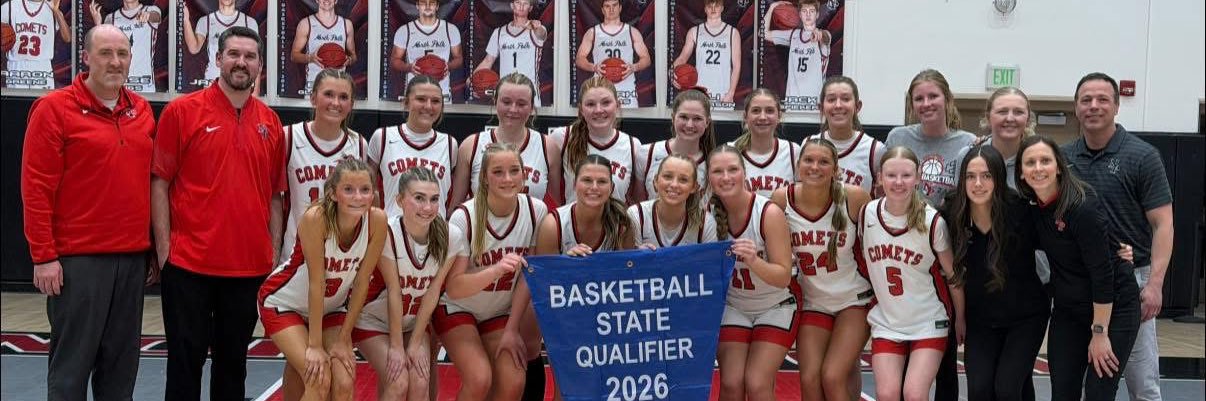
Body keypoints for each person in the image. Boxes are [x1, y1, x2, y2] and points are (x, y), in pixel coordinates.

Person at [20, 24, 154, 401]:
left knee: (120, 370)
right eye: (105, 53)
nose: (115, 62)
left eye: (122, 54)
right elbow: (35, 188)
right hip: (78, 263)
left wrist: (153, 251)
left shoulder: (141, 110)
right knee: (70, 371)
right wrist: (44, 256)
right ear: (85, 57)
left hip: (131, 261)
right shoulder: (53, 109)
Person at [151, 26, 285, 400]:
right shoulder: (182, 111)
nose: (241, 62)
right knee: (184, 363)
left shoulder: (271, 122)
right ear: (218, 59)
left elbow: (276, 196)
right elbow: (159, 182)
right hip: (188, 264)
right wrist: (165, 250)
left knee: (233, 367)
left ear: (260, 65)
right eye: (234, 54)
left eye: (250, 56)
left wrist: (271, 253)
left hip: (247, 268)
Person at [1063, 73, 1174, 401]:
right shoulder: (1064, 158)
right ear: (1076, 107)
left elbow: (1163, 224)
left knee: (1142, 383)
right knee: (1088, 383)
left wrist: (1154, 283)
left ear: (1117, 105)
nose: (1093, 106)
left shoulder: (1142, 156)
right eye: (1086, 100)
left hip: (1131, 283)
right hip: (1081, 284)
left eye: (1102, 99)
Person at [1016, 135, 1141, 401]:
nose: (1038, 167)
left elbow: (1102, 275)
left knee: (1098, 391)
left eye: (1045, 160)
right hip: (1069, 309)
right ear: (1022, 173)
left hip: (1114, 307)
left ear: (1059, 166)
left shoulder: (1081, 207)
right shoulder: (1033, 211)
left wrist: (1100, 333)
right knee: (1063, 392)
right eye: (1030, 162)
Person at [259, 158, 388, 401]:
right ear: (333, 193)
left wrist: (342, 339)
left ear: (373, 194)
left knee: (344, 381)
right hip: (284, 303)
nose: (357, 197)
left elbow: (361, 283)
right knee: (319, 379)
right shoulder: (315, 218)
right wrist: (315, 345)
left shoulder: (378, 221)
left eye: (365, 190)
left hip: (332, 307)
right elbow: (316, 284)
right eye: (348, 189)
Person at [435, 142, 547, 401]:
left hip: (498, 312)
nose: (507, 179)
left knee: (514, 379)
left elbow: (528, 277)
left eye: (514, 170)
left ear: (524, 174)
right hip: (457, 308)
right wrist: (495, 270)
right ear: (483, 178)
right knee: (479, 378)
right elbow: (455, 287)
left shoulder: (535, 210)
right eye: (497, 172)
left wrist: (511, 328)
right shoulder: (465, 216)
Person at [522, 154, 638, 400]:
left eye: (601, 182)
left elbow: (628, 281)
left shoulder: (622, 225)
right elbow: (544, 288)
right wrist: (566, 268)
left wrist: (643, 258)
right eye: (587, 180)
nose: (594, 188)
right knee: (567, 388)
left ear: (611, 187)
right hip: (565, 318)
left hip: (607, 317)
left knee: (605, 388)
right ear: (574, 184)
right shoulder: (554, 224)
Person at [943, 145, 1048, 401]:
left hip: (1026, 317)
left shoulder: (1020, 212)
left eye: (986, 176)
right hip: (980, 319)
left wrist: (1115, 250)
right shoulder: (950, 213)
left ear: (999, 178)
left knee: (1007, 388)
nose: (978, 184)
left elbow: (1064, 239)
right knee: (979, 389)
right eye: (970, 176)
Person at [770, 138, 871, 401]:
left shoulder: (855, 197)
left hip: (854, 300)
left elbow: (875, 246)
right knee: (809, 378)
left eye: (824, 161)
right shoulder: (783, 199)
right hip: (814, 301)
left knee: (833, 376)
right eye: (809, 160)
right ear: (798, 164)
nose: (815, 167)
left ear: (836, 169)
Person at [861, 146, 964, 401]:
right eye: (891, 175)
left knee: (914, 394)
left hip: (928, 321)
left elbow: (952, 275)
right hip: (888, 320)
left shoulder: (933, 222)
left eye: (906, 175)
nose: (898, 182)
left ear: (918, 177)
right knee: (887, 394)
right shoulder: (867, 214)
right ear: (879, 178)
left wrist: (960, 317)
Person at [355, 167, 459, 400]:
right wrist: (396, 346)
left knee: (420, 382)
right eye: (419, 198)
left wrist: (413, 343)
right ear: (400, 200)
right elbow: (394, 291)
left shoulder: (452, 235)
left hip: (413, 323)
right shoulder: (386, 232)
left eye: (434, 199)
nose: (427, 207)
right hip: (373, 320)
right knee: (398, 381)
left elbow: (433, 292)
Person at [707, 145, 794, 401]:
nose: (726, 177)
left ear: (745, 173)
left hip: (775, 305)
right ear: (708, 177)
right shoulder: (707, 215)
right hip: (734, 306)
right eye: (717, 171)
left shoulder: (768, 213)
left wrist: (754, 260)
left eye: (732, 170)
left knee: (757, 383)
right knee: (732, 383)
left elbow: (783, 277)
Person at [279, 69, 368, 266]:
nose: (336, 103)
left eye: (343, 97)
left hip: (339, 258)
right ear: (313, 98)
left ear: (351, 105)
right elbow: (275, 198)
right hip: (295, 254)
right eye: (328, 94)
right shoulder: (289, 137)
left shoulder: (359, 145)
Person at [452, 72, 561, 206]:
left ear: (532, 108)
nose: (513, 109)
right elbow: (455, 208)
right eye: (506, 102)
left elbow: (557, 207)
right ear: (495, 102)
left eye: (521, 104)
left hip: (530, 227)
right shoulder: (471, 145)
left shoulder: (548, 147)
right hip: (481, 226)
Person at [886, 69, 976, 208]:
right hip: (904, 225)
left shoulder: (967, 142)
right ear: (912, 104)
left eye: (933, 96)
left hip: (948, 226)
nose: (926, 104)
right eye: (919, 99)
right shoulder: (898, 138)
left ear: (948, 99)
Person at [371, 74, 457, 218]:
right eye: (421, 99)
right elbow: (370, 191)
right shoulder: (383, 137)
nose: (428, 106)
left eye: (435, 101)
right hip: (393, 233)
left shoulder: (449, 144)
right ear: (406, 102)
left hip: (434, 235)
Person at [548, 75, 643, 204]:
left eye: (606, 103)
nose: (598, 110)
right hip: (574, 222)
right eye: (591, 104)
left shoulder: (633, 146)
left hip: (614, 223)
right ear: (581, 109)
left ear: (618, 105)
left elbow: (635, 199)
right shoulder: (561, 138)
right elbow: (552, 192)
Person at [805, 76, 884, 194]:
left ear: (857, 106)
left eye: (846, 99)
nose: (838, 105)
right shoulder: (808, 144)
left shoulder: (875, 150)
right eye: (831, 100)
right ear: (821, 107)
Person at [628, 154, 717, 248]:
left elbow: (710, 262)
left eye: (683, 180)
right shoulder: (636, 215)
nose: (674, 184)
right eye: (667, 176)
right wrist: (637, 254)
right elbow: (627, 260)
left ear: (694, 187)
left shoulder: (706, 223)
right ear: (655, 181)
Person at [574, 0, 651, 108]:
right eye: (607, 6)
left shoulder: (631, 31)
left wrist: (634, 67)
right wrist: (594, 67)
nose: (611, 9)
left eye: (614, 5)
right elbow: (579, 59)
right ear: (602, 10)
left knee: (628, 123)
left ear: (620, 8)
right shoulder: (593, 32)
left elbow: (646, 59)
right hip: (601, 90)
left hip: (626, 92)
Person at [639, 89, 715, 198]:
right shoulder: (646, 153)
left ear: (707, 122)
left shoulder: (713, 163)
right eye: (683, 117)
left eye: (697, 119)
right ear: (673, 118)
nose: (689, 125)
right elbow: (638, 202)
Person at [472, 0, 546, 105]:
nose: (521, 6)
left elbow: (542, 34)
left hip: (529, 93)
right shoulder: (499, 32)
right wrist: (472, 79)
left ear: (530, 8)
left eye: (525, 4)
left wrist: (536, 27)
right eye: (518, 3)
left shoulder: (536, 30)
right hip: (505, 94)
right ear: (512, 6)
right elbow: (488, 61)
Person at [670, 0, 740, 109]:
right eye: (709, 6)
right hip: (700, 91)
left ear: (722, 8)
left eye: (716, 6)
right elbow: (683, 57)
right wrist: (672, 70)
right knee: (700, 124)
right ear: (705, 9)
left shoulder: (732, 32)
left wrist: (731, 92)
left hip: (723, 93)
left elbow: (736, 66)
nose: (713, 9)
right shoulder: (694, 31)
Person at [761, 0, 828, 112]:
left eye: (811, 11)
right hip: (793, 103)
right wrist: (772, 7)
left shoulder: (824, 36)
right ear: (799, 14)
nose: (807, 14)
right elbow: (762, 33)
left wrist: (819, 34)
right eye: (804, 11)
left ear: (817, 15)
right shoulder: (793, 35)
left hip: (814, 104)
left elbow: (825, 37)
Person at [390, 0, 463, 102]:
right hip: (415, 93)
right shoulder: (404, 31)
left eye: (432, 3)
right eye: (423, 2)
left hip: (441, 94)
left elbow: (459, 58)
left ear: (437, 6)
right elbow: (394, 60)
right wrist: (409, 67)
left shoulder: (450, 29)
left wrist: (448, 66)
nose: (428, 6)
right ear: (417, 5)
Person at [732, 88, 797, 197]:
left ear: (779, 116)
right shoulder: (731, 151)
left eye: (769, 111)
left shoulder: (793, 152)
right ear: (745, 116)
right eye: (756, 110)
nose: (762, 117)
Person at [87, 0, 161, 92]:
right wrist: (98, 25)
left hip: (145, 86)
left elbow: (156, 17)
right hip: (119, 87)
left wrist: (148, 15)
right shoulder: (111, 18)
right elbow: (103, 49)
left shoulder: (151, 10)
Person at [182, 0, 258, 86]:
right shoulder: (205, 21)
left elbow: (256, 59)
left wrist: (255, 93)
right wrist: (186, 20)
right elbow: (193, 48)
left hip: (238, 85)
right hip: (212, 84)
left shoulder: (249, 22)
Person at [290, 0, 356, 96]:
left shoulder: (346, 25)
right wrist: (311, 58)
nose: (326, 1)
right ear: (317, 0)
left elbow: (354, 55)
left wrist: (349, 60)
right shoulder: (306, 23)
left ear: (336, 0)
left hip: (338, 85)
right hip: (314, 85)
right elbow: (294, 55)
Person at [1, 0, 72, 89]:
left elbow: (68, 38)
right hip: (17, 67)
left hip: (43, 67)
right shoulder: (10, 6)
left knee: (43, 102)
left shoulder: (52, 8)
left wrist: (56, 11)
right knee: (17, 102)